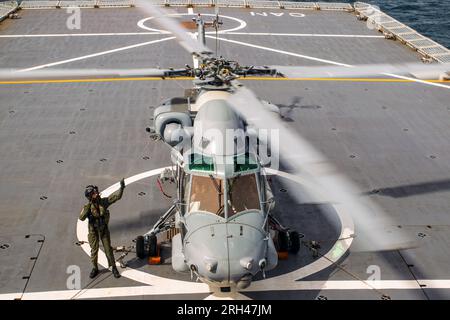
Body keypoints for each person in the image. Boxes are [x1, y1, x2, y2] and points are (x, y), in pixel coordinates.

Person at [79, 179, 126, 279]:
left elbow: (117, 197)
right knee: (94, 250)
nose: (96, 193)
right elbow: (81, 218)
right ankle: (95, 268)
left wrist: (121, 188)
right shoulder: (88, 207)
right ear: (90, 196)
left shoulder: (103, 202)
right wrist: (87, 209)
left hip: (103, 229)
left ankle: (113, 267)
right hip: (93, 231)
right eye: (93, 193)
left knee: (108, 249)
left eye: (95, 192)